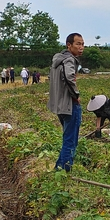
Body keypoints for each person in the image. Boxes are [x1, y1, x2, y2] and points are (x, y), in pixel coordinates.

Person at [48, 34, 83, 171]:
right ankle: (65, 171)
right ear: (69, 45)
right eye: (78, 44)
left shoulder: (58, 60)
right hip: (70, 105)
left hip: (59, 105)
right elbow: (69, 78)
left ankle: (59, 168)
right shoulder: (69, 60)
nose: (81, 47)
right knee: (71, 140)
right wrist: (76, 95)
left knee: (67, 138)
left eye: (83, 44)